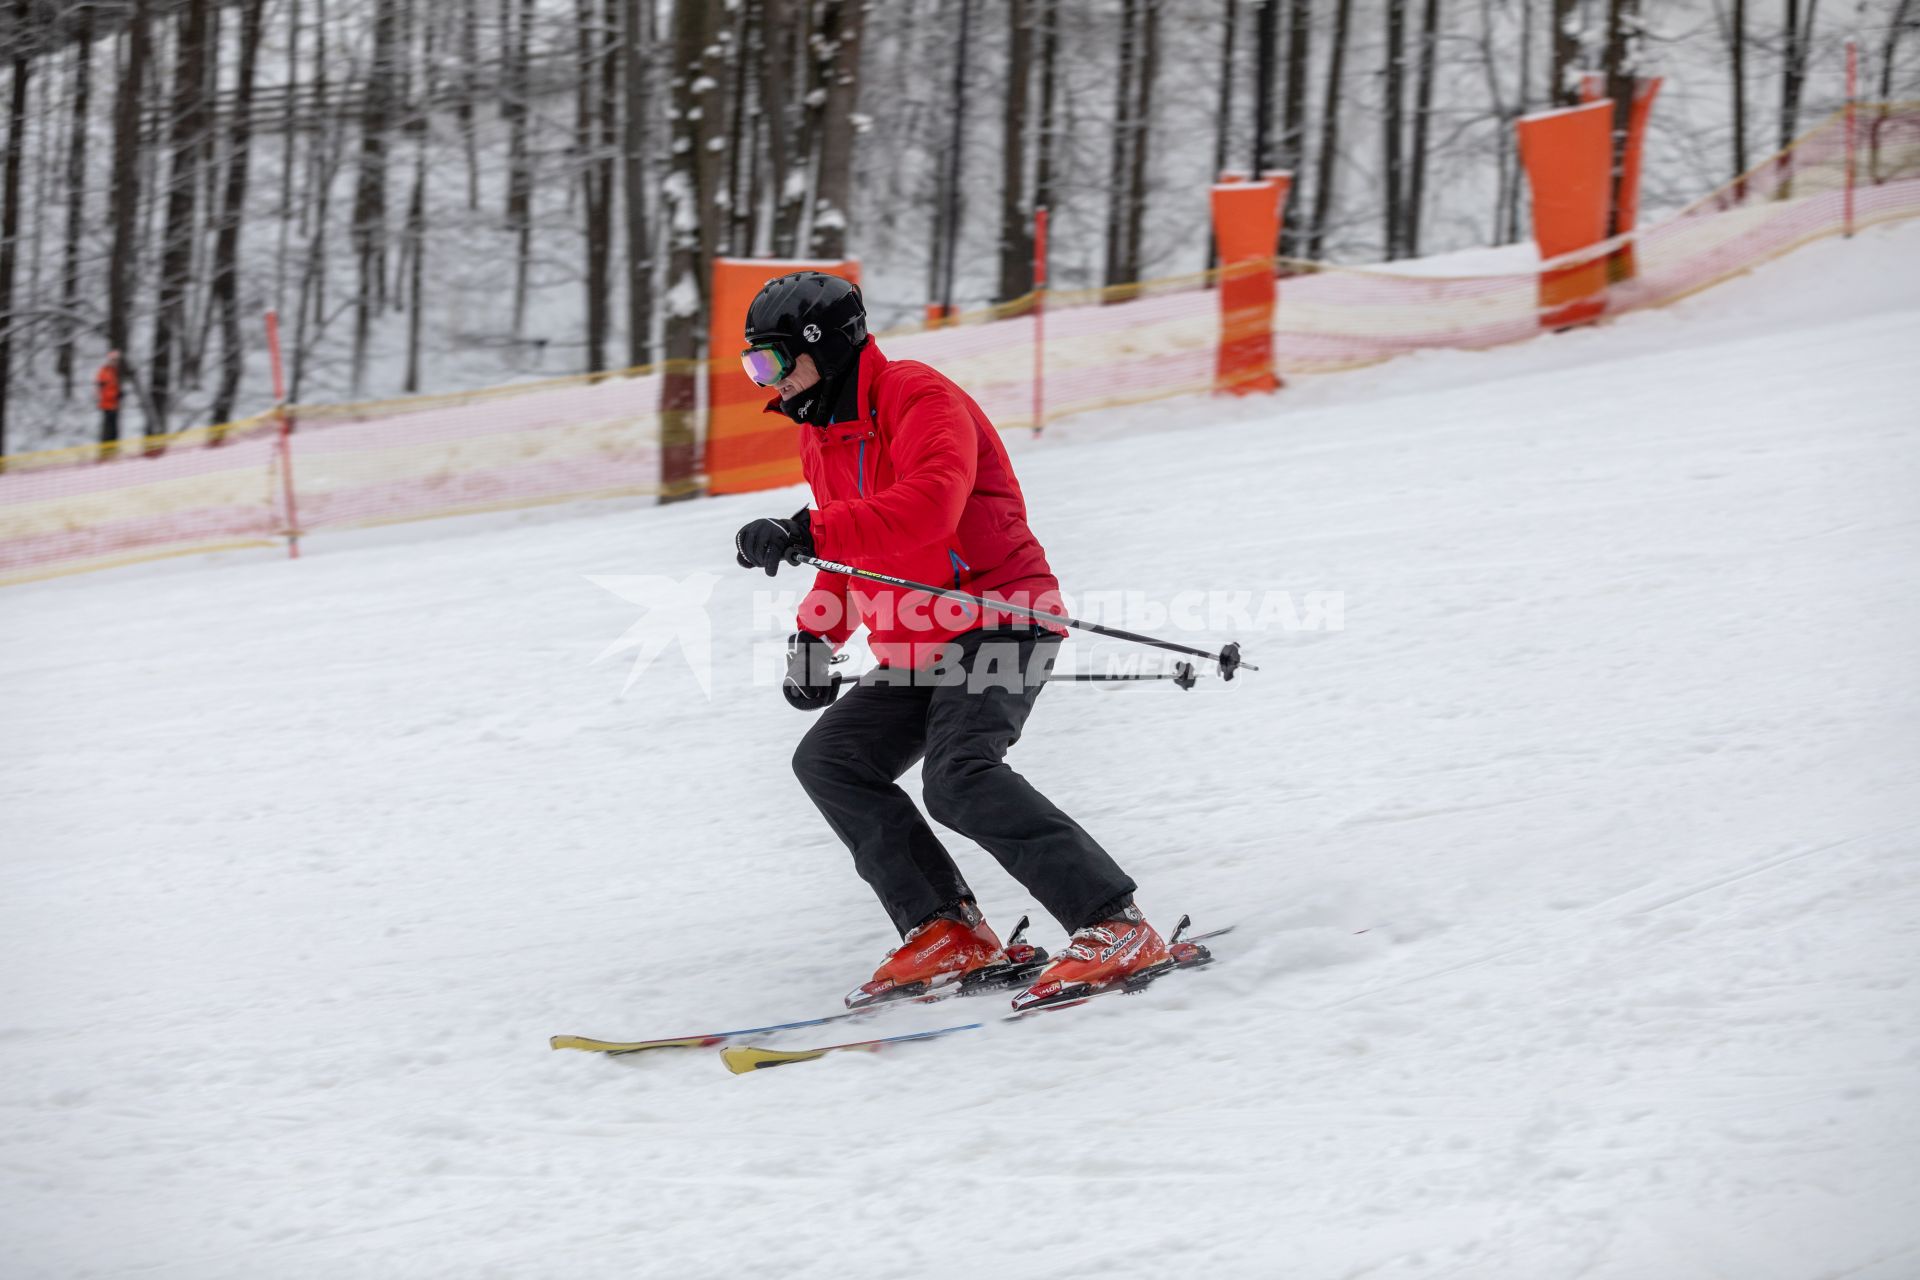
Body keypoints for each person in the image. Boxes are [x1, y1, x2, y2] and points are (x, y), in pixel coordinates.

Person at [733, 271, 1175, 1012]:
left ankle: (1114, 923)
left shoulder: (919, 398)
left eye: (771, 362)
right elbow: (848, 561)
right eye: (754, 367)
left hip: (1003, 614)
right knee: (831, 759)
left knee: (959, 775)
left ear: (825, 349)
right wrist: (812, 639)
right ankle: (948, 929)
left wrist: (808, 530)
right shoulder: (821, 439)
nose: (766, 380)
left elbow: (929, 508)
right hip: (917, 642)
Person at [96, 350, 122, 444]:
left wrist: (118, 394)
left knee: (113, 432)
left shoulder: (113, 371)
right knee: (108, 432)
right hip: (107, 406)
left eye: (117, 360)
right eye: (114, 360)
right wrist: (117, 395)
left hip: (114, 405)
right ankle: (106, 454)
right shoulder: (105, 372)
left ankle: (112, 452)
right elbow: (103, 392)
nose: (116, 362)